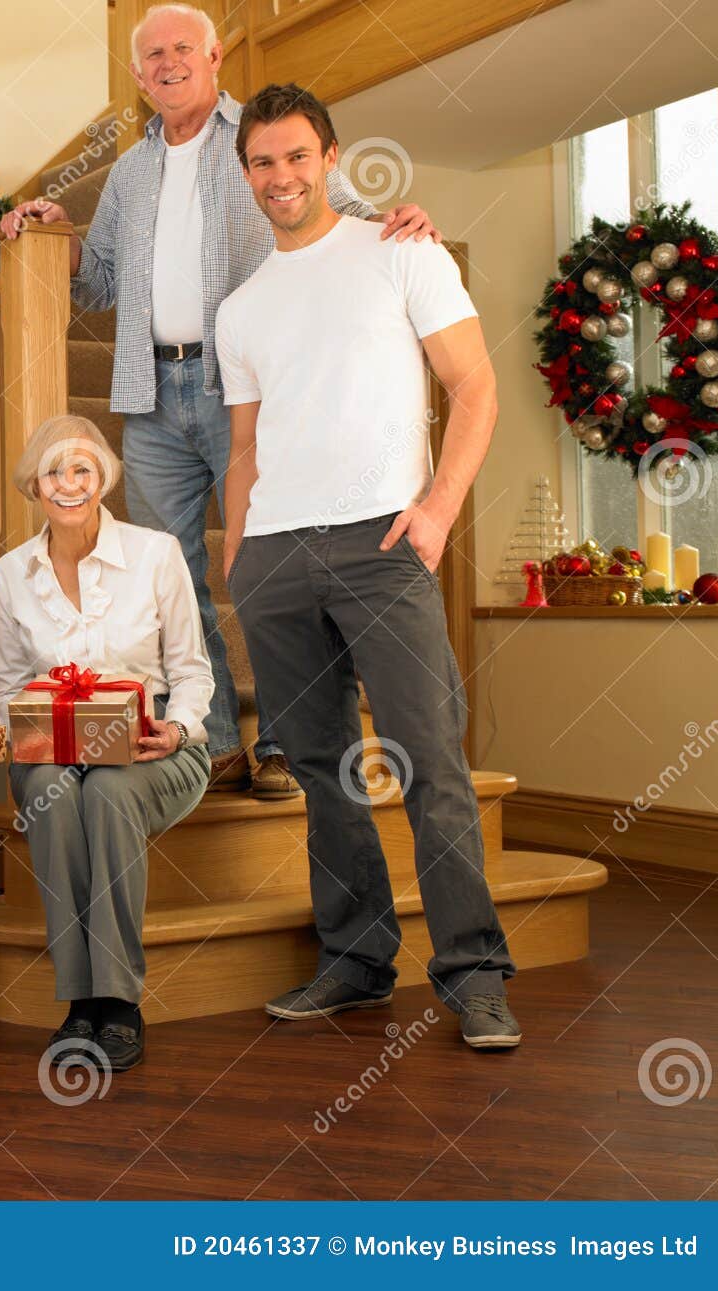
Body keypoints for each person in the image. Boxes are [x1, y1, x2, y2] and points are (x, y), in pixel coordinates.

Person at [0, 3, 439, 799]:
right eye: (152, 56)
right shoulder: (130, 171)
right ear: (138, 77)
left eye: (182, 49)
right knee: (173, 574)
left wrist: (398, 221)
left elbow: (336, 216)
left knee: (263, 569)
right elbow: (98, 281)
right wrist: (60, 231)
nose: (168, 63)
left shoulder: (259, 144)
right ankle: (201, 734)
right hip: (150, 395)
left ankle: (279, 742)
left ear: (214, 56)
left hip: (248, 390)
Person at [216, 83, 519, 1050]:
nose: (281, 176)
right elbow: (245, 448)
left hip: (383, 545)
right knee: (319, 768)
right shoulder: (241, 308)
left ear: (331, 157)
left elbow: (475, 384)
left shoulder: (402, 251)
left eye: (297, 156)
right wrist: (238, 554)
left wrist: (438, 511)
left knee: (431, 761)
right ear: (248, 175)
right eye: (263, 161)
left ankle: (473, 973)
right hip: (275, 555)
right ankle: (355, 959)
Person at [0, 415, 214, 1073]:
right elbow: (8, 684)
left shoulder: (155, 554)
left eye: (81, 469)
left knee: (109, 791)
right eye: (53, 471)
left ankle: (117, 1003)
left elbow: (193, 671)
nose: (68, 484)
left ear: (103, 480)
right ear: (33, 485)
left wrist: (180, 728)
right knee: (59, 798)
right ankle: (78, 1002)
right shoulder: (10, 573)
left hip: (157, 750)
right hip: (51, 753)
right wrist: (35, 734)